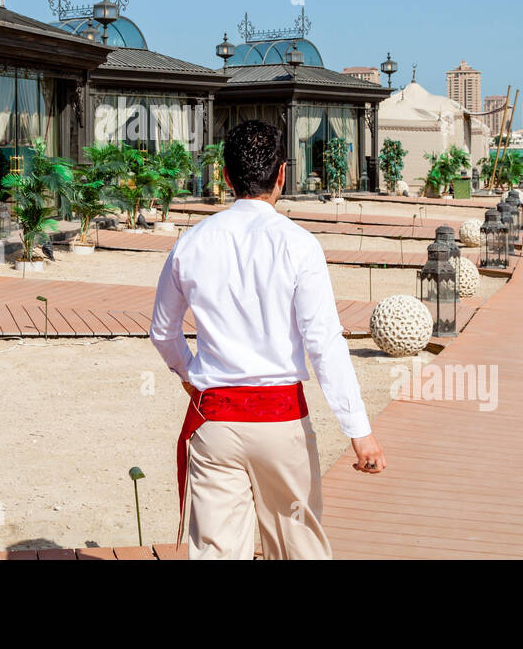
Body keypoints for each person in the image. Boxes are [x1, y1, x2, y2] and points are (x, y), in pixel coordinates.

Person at [148, 120, 385, 560]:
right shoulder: (299, 244)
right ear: (281, 175)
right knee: (299, 547)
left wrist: (189, 374)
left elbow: (163, 331)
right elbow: (324, 344)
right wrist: (359, 431)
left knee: (218, 552)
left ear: (224, 176)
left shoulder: (191, 242)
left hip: (215, 419)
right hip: (281, 420)